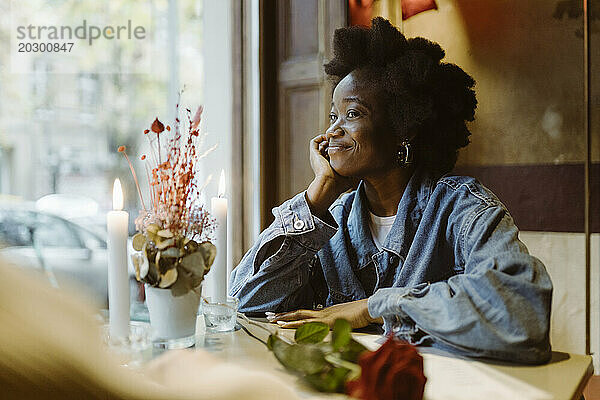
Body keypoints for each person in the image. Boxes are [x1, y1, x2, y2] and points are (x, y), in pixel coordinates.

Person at [229, 17, 553, 364]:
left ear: (403, 129)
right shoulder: (329, 221)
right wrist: (317, 195)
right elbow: (244, 303)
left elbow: (523, 314)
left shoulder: (463, 208)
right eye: (332, 116)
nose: (330, 132)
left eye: (351, 114)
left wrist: (374, 307)